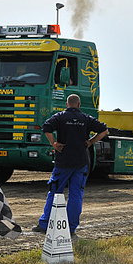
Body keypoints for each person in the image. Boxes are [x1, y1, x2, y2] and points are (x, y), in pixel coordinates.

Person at [33, 94, 108, 238]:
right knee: (76, 195)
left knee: (54, 192)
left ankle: (44, 224)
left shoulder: (60, 117)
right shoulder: (86, 118)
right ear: (79, 105)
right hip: (81, 162)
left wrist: (54, 143)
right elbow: (104, 130)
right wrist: (90, 142)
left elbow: (46, 128)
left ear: (67, 104)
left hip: (63, 162)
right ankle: (71, 228)